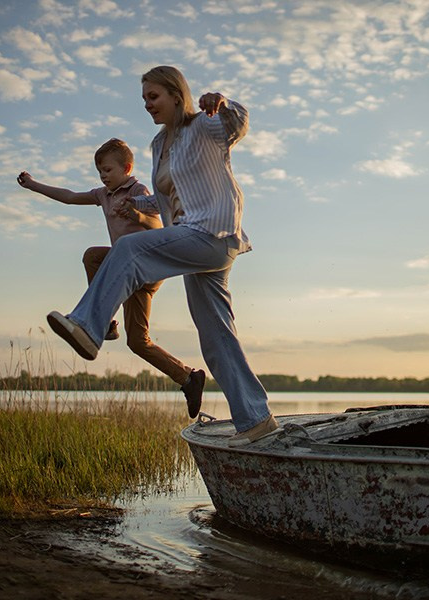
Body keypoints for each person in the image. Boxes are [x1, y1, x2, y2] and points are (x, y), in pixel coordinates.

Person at [45, 65, 275, 447]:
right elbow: (168, 197)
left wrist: (221, 100)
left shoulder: (205, 124)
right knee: (216, 335)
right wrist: (138, 206)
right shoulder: (158, 145)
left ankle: (88, 326)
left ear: (175, 94)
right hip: (189, 240)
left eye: (154, 97)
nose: (148, 105)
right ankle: (255, 419)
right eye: (144, 99)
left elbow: (238, 124)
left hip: (212, 235)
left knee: (129, 249)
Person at [17, 138, 206, 418]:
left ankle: (99, 319)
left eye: (107, 170)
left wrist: (136, 214)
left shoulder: (138, 191)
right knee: (137, 340)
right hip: (124, 273)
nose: (103, 176)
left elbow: (157, 220)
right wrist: (33, 185)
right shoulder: (103, 195)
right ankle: (189, 378)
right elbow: (69, 197)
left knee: (95, 256)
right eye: (99, 172)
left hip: (147, 268)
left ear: (126, 168)